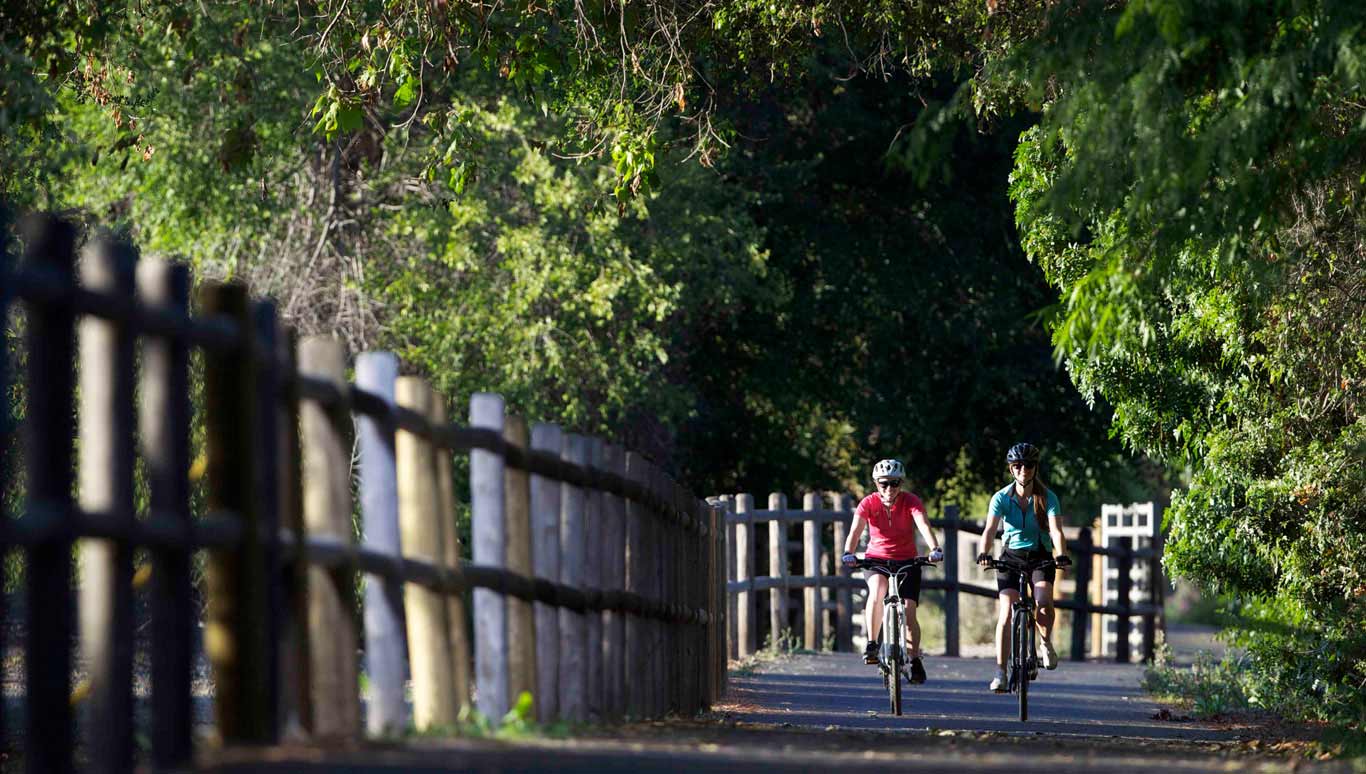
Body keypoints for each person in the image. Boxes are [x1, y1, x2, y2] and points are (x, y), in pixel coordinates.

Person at [975, 442, 1071, 692]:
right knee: (1006, 612)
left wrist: (1060, 555)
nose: (1023, 470)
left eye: (1028, 465)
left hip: (1040, 556)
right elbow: (989, 530)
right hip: (1011, 558)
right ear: (1011, 469)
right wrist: (984, 552)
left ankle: (1045, 643)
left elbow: (1057, 531)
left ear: (1035, 468)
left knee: (1044, 602)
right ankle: (1000, 671)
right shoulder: (1001, 498)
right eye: (1018, 465)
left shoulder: (1048, 497)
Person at [841, 459, 944, 684]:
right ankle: (872, 644)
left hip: (907, 561)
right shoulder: (867, 503)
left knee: (909, 610)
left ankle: (915, 658)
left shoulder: (911, 501)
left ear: (901, 483)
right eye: (884, 483)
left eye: (895, 483)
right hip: (876, 560)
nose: (889, 489)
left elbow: (923, 525)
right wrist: (848, 552)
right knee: (877, 591)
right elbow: (855, 531)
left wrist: (934, 548)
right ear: (876, 484)